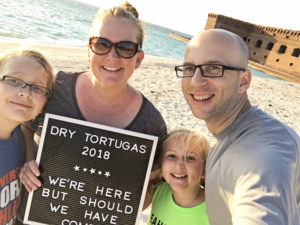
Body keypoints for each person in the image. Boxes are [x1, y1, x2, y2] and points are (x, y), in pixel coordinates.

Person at [17, 1, 167, 224]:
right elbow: (23, 127)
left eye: (125, 48)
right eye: (101, 44)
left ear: (138, 59)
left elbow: (153, 185)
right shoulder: (55, 87)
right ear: (89, 50)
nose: (112, 56)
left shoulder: (151, 124)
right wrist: (28, 160)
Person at [176, 28, 300, 225]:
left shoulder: (265, 152)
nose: (196, 81)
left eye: (213, 68)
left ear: (243, 82)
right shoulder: (228, 133)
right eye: (189, 68)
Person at [0, 48, 55, 225]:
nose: (26, 92)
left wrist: (30, 159)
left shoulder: (22, 137)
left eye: (37, 88)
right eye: (14, 80)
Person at [144, 129, 210, 225]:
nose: (179, 165)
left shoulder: (213, 213)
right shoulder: (159, 189)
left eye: (190, 158)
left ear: (205, 169)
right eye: (172, 156)